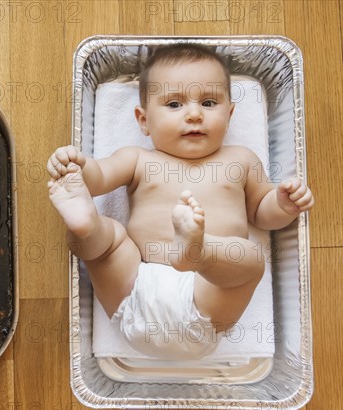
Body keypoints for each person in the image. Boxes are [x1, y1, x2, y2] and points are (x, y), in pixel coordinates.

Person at [46, 44, 314, 359]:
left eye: (209, 102)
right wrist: (78, 167)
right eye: (174, 104)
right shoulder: (138, 160)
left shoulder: (241, 160)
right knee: (109, 240)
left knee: (250, 259)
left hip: (206, 300)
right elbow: (99, 177)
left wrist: (283, 205)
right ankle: (86, 226)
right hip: (136, 286)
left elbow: (261, 213)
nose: (194, 114)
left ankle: (199, 252)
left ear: (229, 114)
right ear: (143, 121)